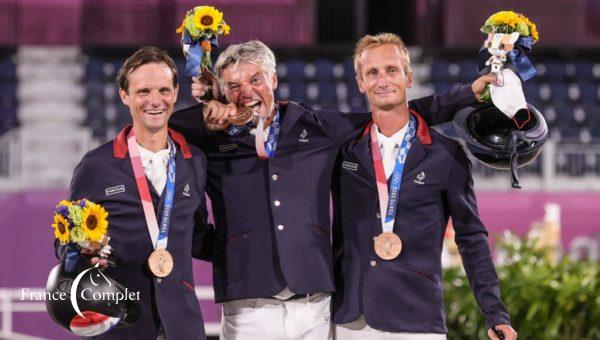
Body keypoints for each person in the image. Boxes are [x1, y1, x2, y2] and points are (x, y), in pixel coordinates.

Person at [170, 39, 494, 340]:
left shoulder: (315, 127)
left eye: (255, 80)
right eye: (234, 87)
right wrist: (209, 107)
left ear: (273, 80)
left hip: (314, 300)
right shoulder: (211, 136)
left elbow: (390, 113)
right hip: (247, 303)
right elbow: (161, 123)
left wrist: (466, 95)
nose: (247, 93)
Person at [331, 33, 517, 340]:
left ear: (409, 77)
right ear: (360, 83)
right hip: (352, 319)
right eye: (372, 73)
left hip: (416, 318)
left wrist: (494, 312)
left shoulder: (447, 155)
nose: (383, 80)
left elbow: (471, 238)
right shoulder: (343, 150)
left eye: (392, 70)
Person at [56, 46, 212, 339]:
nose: (155, 101)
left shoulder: (194, 162)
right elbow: (63, 244)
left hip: (182, 324)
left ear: (176, 92)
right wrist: (85, 249)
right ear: (124, 96)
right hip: (120, 323)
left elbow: (198, 236)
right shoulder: (96, 166)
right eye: (143, 92)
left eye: (164, 90)